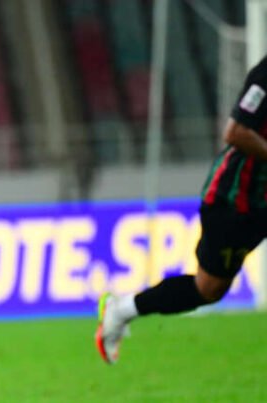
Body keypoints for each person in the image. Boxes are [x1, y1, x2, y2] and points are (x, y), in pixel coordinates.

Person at [97, 55, 267, 364]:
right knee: (209, 288)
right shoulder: (265, 76)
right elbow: (236, 132)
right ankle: (122, 310)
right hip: (235, 199)